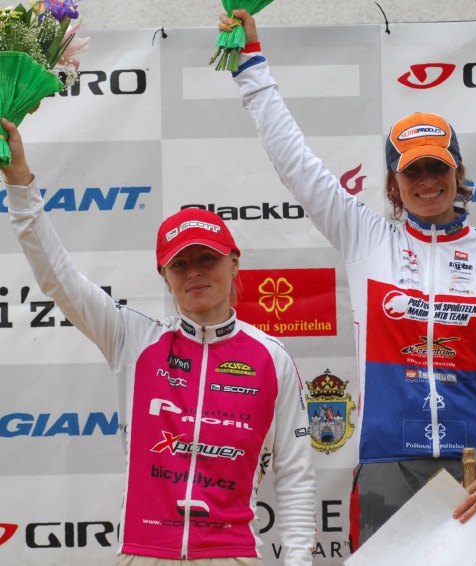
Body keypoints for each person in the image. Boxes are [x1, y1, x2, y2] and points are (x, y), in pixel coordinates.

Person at [219, 11, 476, 564]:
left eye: (438, 168)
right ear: (395, 182)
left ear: (458, 172)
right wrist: (251, 65)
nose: (427, 181)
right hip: (388, 467)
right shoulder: (367, 239)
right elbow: (295, 163)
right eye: (413, 171)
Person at [1, 117, 316, 565]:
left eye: (207, 258)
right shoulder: (133, 338)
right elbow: (58, 278)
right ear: (164, 276)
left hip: (231, 555)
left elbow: (296, 475)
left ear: (234, 264)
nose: (195, 273)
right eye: (179, 264)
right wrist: (19, 183)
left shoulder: (272, 357)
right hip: (144, 553)